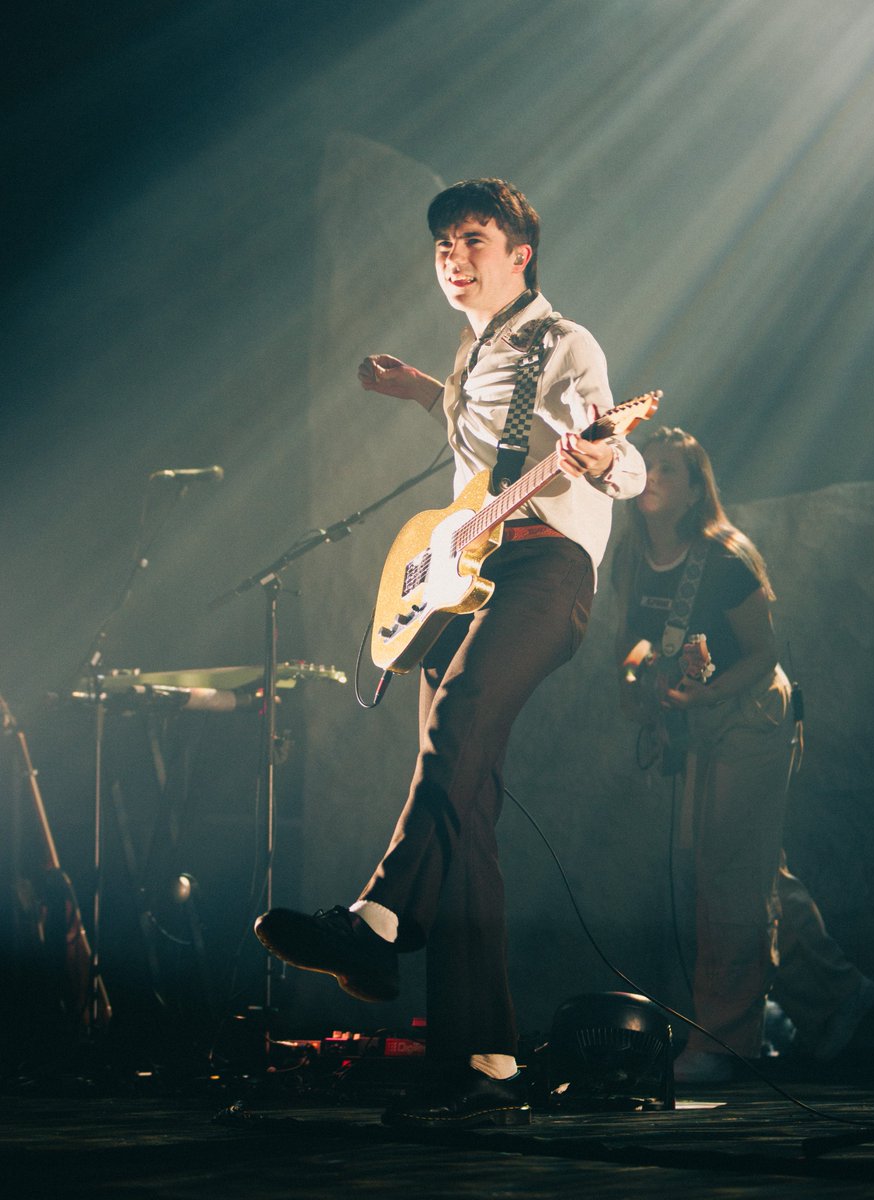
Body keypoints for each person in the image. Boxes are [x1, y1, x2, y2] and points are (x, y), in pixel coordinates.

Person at [254, 178, 648, 1126]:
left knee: (460, 727)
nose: (452, 256)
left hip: (546, 573)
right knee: (464, 809)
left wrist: (605, 457)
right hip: (465, 577)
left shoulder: (566, 341)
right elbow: (484, 456)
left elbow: (617, 454)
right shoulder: (474, 348)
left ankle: (376, 919)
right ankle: (485, 1063)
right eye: (441, 244)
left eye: (473, 238)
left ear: (521, 252)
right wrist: (425, 392)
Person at [613, 426, 874, 1084]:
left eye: (667, 469)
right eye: (644, 464)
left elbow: (763, 655)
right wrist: (640, 688)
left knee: (727, 878)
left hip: (752, 714)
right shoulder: (630, 553)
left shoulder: (724, 556)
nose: (650, 476)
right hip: (696, 718)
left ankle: (724, 1042)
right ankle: (838, 994)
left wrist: (700, 699)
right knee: (743, 870)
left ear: (695, 486)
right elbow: (636, 640)